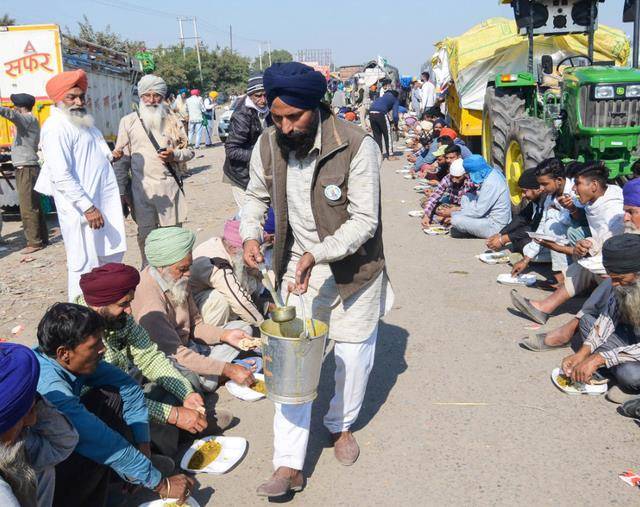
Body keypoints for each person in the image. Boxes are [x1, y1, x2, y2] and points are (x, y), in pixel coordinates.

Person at [241, 61, 394, 497]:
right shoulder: (269, 143)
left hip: (354, 269)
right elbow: (254, 194)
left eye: (295, 117)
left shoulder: (356, 144)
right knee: (292, 363)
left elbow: (365, 220)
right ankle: (288, 464)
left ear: (318, 107)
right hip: (297, 269)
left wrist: (319, 253)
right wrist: (251, 233)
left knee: (351, 355)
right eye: (278, 117)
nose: (286, 127)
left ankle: (340, 426)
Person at [34, 303, 195, 506]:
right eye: (94, 345)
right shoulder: (51, 388)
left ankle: (122, 474)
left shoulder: (72, 361)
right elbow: (96, 439)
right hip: (35, 472)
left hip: (67, 442)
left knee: (113, 395)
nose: (102, 349)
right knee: (93, 441)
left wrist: (142, 446)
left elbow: (129, 387)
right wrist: (161, 484)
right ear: (64, 353)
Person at [76, 262, 233, 457]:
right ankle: (160, 448)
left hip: (126, 382)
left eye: (129, 303)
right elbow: (114, 398)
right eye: (123, 304)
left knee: (182, 377)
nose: (130, 311)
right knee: (125, 419)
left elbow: (150, 357)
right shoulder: (81, 335)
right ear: (99, 305)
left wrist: (185, 394)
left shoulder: (119, 318)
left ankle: (186, 426)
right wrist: (173, 415)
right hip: (102, 403)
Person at [131, 226, 256, 393]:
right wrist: (228, 369)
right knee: (198, 382)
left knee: (241, 329)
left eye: (188, 267)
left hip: (188, 346)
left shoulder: (177, 279)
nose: (188, 274)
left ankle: (209, 371)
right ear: (161, 267)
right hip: (170, 357)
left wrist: (225, 335)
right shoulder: (150, 301)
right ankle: (209, 375)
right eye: (182, 269)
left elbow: (196, 325)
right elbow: (173, 353)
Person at [35, 70, 126, 301]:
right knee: (84, 268)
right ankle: (82, 323)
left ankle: (106, 314)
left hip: (101, 205)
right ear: (58, 99)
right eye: (72, 97)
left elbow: (95, 155)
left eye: (81, 96)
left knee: (106, 263)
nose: (79, 102)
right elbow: (60, 174)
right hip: (82, 212)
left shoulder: (83, 121)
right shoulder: (56, 127)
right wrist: (88, 207)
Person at [520, 178, 640, 352]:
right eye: (625, 212)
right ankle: (550, 311)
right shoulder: (626, 224)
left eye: (631, 212)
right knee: (592, 268)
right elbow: (606, 239)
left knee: (613, 283)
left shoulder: (610, 207)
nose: (626, 217)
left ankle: (569, 330)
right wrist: (589, 244)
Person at [511, 163, 624, 325]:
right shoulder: (595, 200)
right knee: (583, 261)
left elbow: (609, 249)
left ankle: (576, 317)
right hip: (607, 257)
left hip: (620, 269)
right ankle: (544, 307)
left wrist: (558, 247)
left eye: (578, 184)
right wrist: (587, 242)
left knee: (586, 263)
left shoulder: (613, 212)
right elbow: (599, 239)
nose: (574, 189)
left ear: (594, 185)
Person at [114, 75, 194, 263]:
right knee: (146, 237)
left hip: (169, 189)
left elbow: (189, 151)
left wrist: (174, 155)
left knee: (173, 238)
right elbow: (122, 159)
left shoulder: (173, 120)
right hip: (141, 192)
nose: (151, 100)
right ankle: (149, 276)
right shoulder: (128, 121)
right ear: (140, 97)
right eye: (147, 95)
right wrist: (121, 191)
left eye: (156, 95)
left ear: (163, 96)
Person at [561, 234, 640, 401]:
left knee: (630, 375)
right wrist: (583, 353)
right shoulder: (621, 283)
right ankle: (613, 367)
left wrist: (599, 358)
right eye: (612, 278)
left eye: (620, 279)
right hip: (633, 340)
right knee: (587, 321)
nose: (614, 284)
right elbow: (608, 318)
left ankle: (619, 374)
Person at [0, 342, 78, 507]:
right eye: (20, 415)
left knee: (40, 469)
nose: (31, 421)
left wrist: (31, 399)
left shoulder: (13, 446)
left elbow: (64, 443)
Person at [190, 220, 264, 327]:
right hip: (196, 307)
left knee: (251, 277)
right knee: (220, 299)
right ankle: (215, 335)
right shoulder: (217, 261)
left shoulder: (224, 247)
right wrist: (262, 324)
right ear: (234, 248)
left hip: (211, 291)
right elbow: (239, 301)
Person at [0, 93, 49, 253]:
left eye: (15, 105)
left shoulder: (26, 119)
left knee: (27, 206)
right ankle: (42, 238)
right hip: (30, 166)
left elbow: (11, 114)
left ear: (20, 106)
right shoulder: (31, 121)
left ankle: (34, 242)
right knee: (35, 205)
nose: (13, 107)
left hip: (26, 168)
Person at [223, 74, 271, 216]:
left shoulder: (270, 111)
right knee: (249, 215)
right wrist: (262, 156)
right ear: (250, 95)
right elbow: (232, 150)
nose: (263, 100)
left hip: (261, 172)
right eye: (258, 96)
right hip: (241, 174)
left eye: (265, 95)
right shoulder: (242, 115)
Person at [450, 155, 512, 238]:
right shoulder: (491, 172)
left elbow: (479, 211)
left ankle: (471, 230)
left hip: (495, 225)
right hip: (486, 213)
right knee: (466, 197)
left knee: (455, 220)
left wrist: (453, 213)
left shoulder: (490, 183)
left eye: (469, 173)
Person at [486, 167, 545, 254]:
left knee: (524, 244)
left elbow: (533, 227)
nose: (523, 195)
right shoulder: (535, 201)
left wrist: (504, 239)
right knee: (518, 241)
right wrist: (501, 234)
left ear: (538, 189)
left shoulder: (546, 202)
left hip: (552, 239)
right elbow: (521, 218)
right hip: (539, 234)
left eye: (525, 191)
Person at [421, 159, 473, 227]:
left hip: (464, 209)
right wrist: (426, 216)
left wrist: (455, 210)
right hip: (451, 205)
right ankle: (446, 218)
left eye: (458, 177)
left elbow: (475, 206)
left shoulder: (470, 181)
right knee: (425, 202)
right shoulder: (447, 178)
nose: (454, 180)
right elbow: (435, 196)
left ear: (465, 174)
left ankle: (447, 219)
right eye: (452, 177)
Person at [368, 88, 399, 160]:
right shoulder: (395, 99)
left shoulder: (381, 98)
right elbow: (395, 115)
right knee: (387, 134)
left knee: (377, 135)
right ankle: (390, 155)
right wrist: (396, 125)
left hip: (371, 113)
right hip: (381, 113)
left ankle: (379, 155)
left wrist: (390, 121)